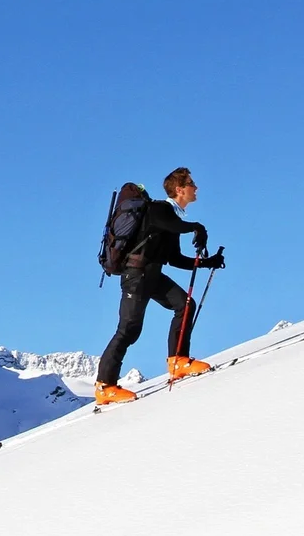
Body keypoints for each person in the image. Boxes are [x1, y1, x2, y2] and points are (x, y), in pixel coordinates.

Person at [93, 167, 226, 404]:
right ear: (179, 189)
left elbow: (174, 258)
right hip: (136, 276)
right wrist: (197, 227)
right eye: (192, 183)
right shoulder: (158, 209)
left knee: (185, 304)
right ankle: (105, 386)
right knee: (129, 329)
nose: (196, 188)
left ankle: (178, 361)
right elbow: (168, 224)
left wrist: (207, 262)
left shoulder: (172, 218)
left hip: (152, 275)